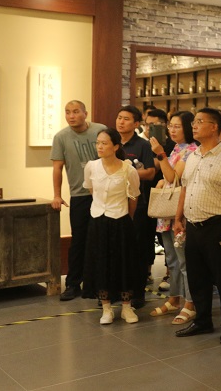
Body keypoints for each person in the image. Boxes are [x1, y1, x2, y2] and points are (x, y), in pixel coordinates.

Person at [173, 108, 221, 345]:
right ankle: (202, 321)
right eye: (194, 122)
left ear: (214, 127)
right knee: (197, 277)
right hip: (193, 225)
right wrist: (178, 217)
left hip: (218, 225)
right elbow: (185, 188)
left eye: (199, 122)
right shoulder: (192, 156)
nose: (194, 125)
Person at [82, 128, 141, 325]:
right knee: (100, 263)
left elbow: (133, 197)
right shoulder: (91, 167)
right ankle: (106, 308)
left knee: (123, 263)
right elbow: (92, 191)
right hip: (98, 220)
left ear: (116, 146)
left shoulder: (128, 169)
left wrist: (126, 218)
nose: (99, 146)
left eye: (104, 143)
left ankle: (126, 307)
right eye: (98, 143)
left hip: (121, 220)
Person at [51, 100, 107, 301]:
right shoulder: (61, 137)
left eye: (75, 112)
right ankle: (73, 284)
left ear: (85, 113)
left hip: (103, 195)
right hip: (79, 195)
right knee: (78, 241)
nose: (71, 116)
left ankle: (98, 284)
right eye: (67, 112)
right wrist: (57, 195)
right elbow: (57, 168)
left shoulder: (100, 130)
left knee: (101, 240)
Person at [148, 111, 198, 325]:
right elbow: (167, 178)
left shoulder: (192, 151)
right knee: (172, 260)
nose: (172, 129)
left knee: (184, 260)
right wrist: (163, 180)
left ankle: (191, 303)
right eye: (171, 126)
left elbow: (172, 176)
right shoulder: (177, 148)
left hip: (180, 211)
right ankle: (174, 298)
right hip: (167, 210)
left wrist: (160, 154)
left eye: (177, 126)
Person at [115, 105, 156, 309]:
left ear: (136, 124)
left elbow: (150, 173)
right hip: (114, 203)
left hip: (138, 203)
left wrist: (124, 172)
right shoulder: (112, 142)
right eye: (119, 118)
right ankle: (115, 291)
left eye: (126, 119)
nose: (121, 122)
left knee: (137, 249)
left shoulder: (143, 145)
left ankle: (138, 293)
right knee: (116, 248)